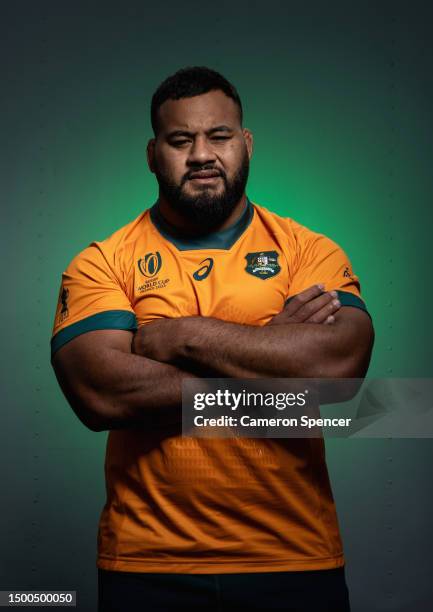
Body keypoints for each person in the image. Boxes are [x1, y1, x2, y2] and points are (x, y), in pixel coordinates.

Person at [50, 66, 374, 612]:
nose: (202, 153)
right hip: (148, 563)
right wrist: (270, 355)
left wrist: (183, 336)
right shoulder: (103, 261)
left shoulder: (307, 252)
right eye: (181, 140)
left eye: (219, 136)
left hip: (295, 557)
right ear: (153, 155)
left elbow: (339, 375)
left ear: (245, 144)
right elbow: (100, 393)